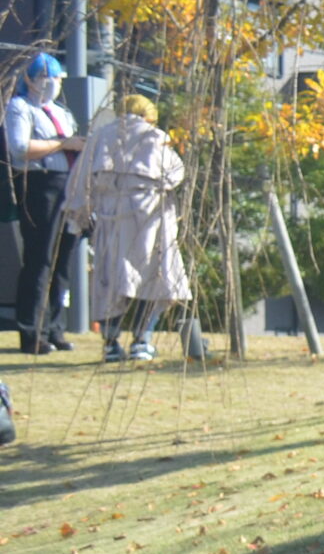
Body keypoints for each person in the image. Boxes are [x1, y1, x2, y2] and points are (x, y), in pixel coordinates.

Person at [64, 94, 191, 364]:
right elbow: (175, 174)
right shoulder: (156, 137)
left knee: (108, 283)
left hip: (110, 220)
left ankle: (111, 343)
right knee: (154, 280)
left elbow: (79, 181)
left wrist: (79, 217)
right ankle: (142, 341)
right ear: (148, 115)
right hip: (150, 221)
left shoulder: (99, 137)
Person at [7, 53, 84, 355]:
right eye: (44, 77)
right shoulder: (20, 107)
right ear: (30, 79)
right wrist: (63, 144)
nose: (51, 83)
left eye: (56, 78)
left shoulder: (61, 112)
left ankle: (55, 328)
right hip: (40, 185)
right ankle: (31, 332)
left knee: (63, 260)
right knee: (40, 259)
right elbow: (20, 147)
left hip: (68, 185)